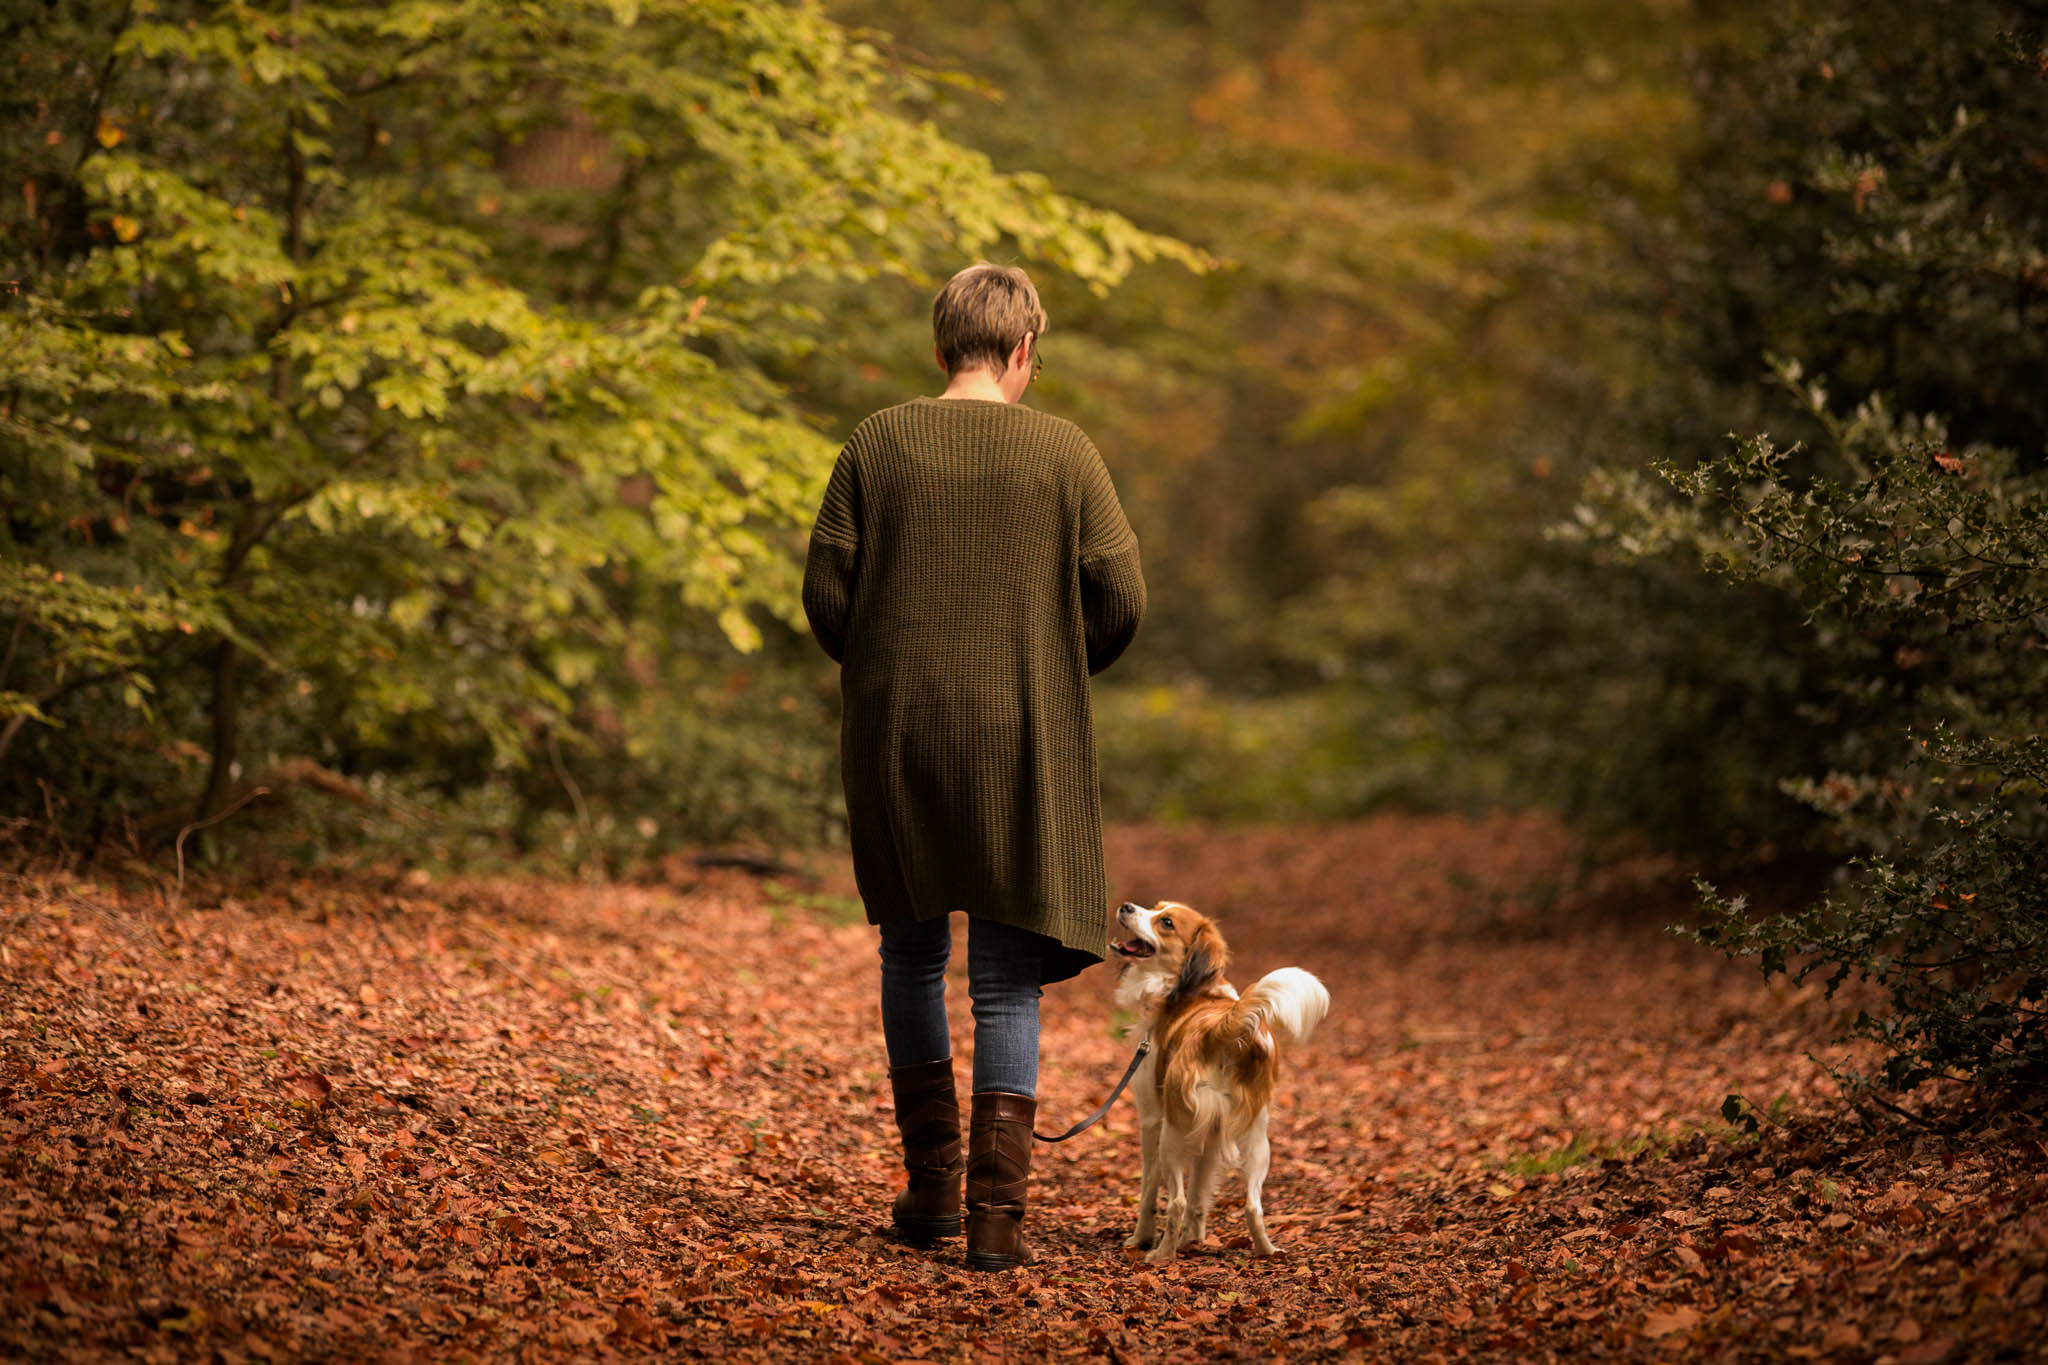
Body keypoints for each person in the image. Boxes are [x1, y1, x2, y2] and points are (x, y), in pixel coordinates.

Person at [801, 263, 1146, 1271]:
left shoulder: (877, 441)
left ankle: (933, 1191)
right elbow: (1120, 599)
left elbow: (827, 593)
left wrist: (882, 660)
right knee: (1004, 986)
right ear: (1025, 349)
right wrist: (1053, 656)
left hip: (897, 730)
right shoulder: (1063, 452)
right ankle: (995, 1225)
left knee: (909, 955)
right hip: (1021, 732)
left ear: (939, 346)